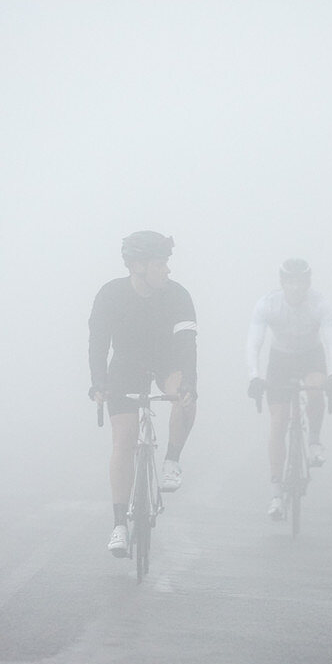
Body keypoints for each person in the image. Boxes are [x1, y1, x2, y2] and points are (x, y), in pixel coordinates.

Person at [88, 231, 197, 556]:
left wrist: (189, 381)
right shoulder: (110, 295)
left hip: (168, 361)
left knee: (185, 393)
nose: (167, 270)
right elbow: (98, 343)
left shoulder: (178, 295)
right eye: (160, 264)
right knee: (124, 440)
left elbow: (187, 344)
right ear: (138, 266)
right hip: (126, 366)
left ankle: (171, 461)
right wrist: (98, 383)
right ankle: (120, 525)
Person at [246, 258, 332, 520]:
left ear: (308, 283)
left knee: (314, 388)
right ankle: (276, 493)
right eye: (291, 282)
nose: (297, 288)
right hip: (281, 360)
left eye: (301, 282)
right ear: (282, 283)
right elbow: (254, 343)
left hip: (312, 356)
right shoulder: (268, 304)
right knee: (278, 422)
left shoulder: (319, 304)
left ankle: (314, 441)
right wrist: (254, 376)